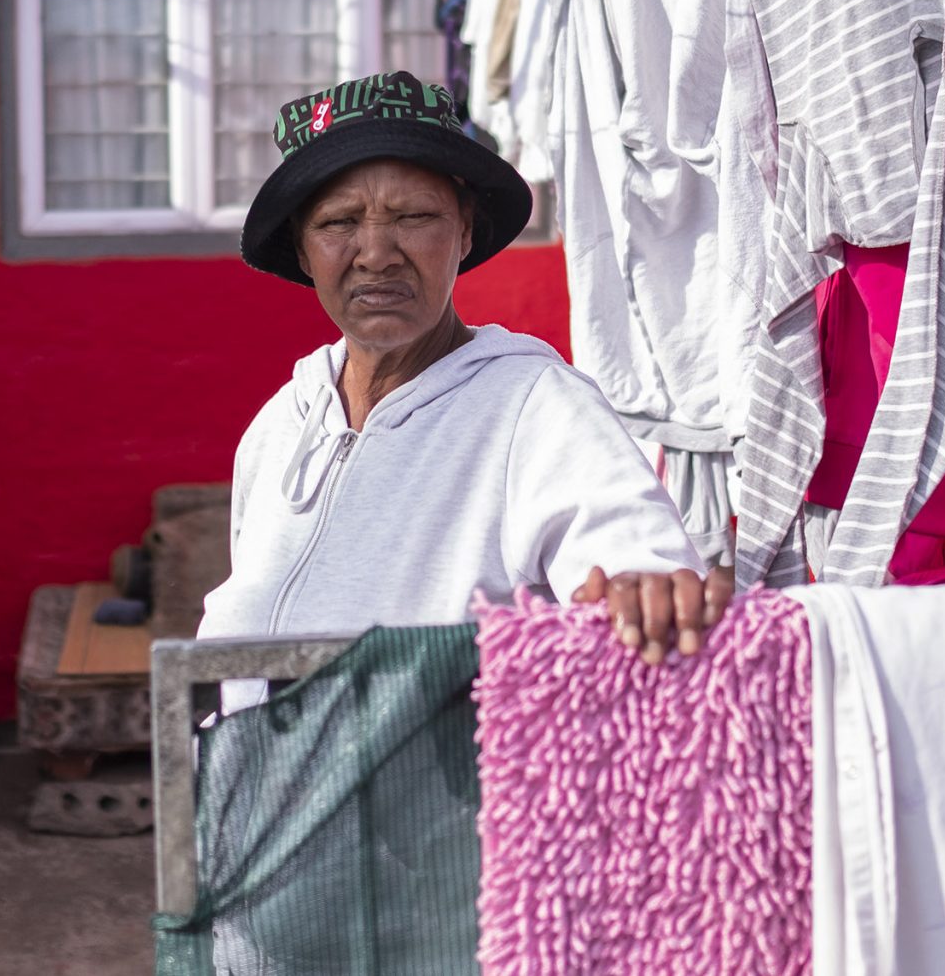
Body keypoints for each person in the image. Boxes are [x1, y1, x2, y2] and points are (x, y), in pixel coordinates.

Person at [199, 71, 733, 687]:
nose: (375, 253)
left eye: (413, 216)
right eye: (339, 223)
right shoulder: (278, 428)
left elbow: (636, 564)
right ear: (302, 250)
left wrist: (643, 590)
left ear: (465, 231)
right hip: (254, 776)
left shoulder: (535, 408)